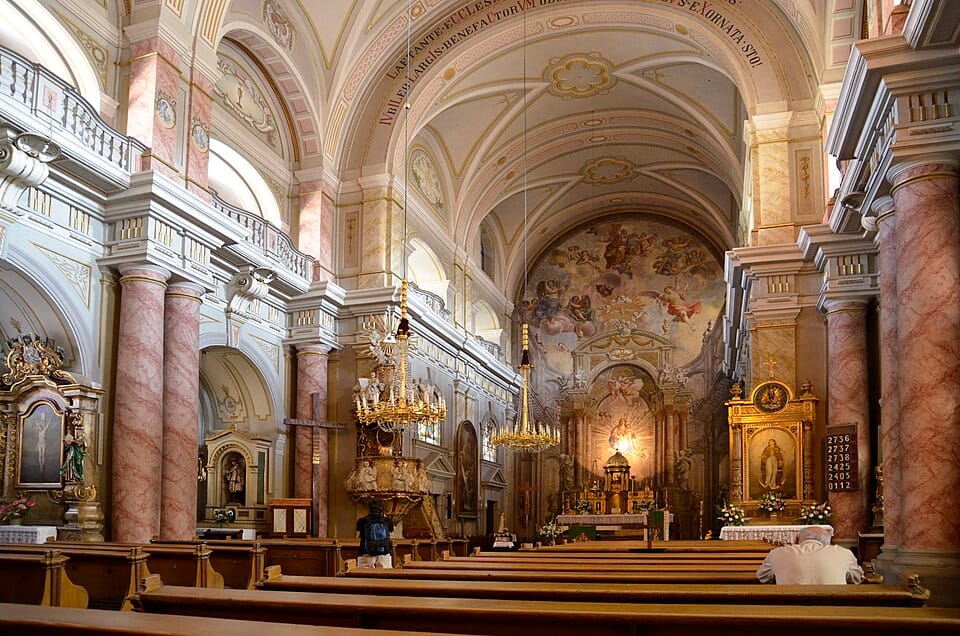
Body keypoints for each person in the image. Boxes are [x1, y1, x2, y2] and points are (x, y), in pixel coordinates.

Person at [756, 526, 863, 585]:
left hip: (789, 611)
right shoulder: (843, 553)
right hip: (834, 611)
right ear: (828, 543)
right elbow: (857, 579)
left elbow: (762, 577)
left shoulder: (777, 553)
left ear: (797, 540)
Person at [356, 500, 394, 568]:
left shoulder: (362, 521)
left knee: (363, 577)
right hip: (384, 555)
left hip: (366, 554)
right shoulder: (387, 521)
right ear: (382, 509)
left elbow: (358, 529)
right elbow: (391, 529)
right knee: (385, 577)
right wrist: (384, 516)